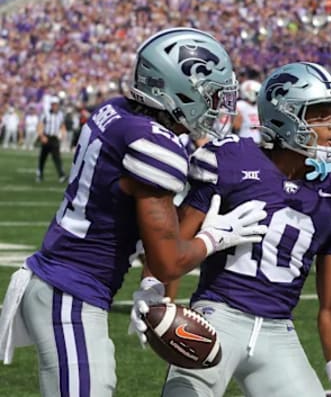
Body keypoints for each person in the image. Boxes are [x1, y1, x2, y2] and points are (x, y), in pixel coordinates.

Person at [0, 28, 269, 397]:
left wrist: (150, 285)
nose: (215, 107)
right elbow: (171, 258)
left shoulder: (115, 110)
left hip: (60, 282)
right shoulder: (153, 143)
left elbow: (128, 214)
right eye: (209, 95)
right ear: (178, 88)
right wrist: (215, 236)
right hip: (69, 292)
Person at [161, 62, 331, 397]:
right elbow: (174, 244)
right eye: (321, 115)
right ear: (285, 115)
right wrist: (162, 303)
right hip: (216, 317)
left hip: (279, 331)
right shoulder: (232, 157)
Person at [36, 97, 67, 182]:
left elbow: (62, 125)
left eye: (56, 105)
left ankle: (61, 175)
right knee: (43, 157)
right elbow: (40, 125)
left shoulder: (60, 114)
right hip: (47, 137)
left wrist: (63, 134)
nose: (55, 106)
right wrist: (42, 136)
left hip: (55, 138)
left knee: (57, 157)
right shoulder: (45, 114)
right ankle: (40, 173)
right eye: (53, 104)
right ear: (51, 105)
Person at [232, 79, 262, 144]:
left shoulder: (258, 107)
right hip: (244, 138)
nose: (258, 96)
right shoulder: (240, 105)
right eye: (256, 93)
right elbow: (235, 125)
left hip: (257, 140)